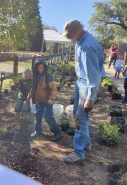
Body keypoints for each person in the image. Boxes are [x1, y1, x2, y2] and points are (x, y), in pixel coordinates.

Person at [60, 20, 104, 163]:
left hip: (87, 84)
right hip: (82, 82)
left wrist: (90, 98)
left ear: (75, 31)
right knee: (78, 115)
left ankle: (78, 152)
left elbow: (94, 75)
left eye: (68, 35)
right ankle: (86, 144)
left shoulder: (87, 47)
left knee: (81, 120)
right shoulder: (81, 41)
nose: (68, 38)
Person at [26, 58, 62, 142]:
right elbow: (34, 88)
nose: (39, 69)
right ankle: (38, 131)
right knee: (38, 116)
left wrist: (51, 98)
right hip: (39, 101)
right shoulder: (36, 76)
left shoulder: (48, 76)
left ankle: (57, 132)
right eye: (38, 68)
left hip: (47, 101)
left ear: (44, 67)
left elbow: (53, 88)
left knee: (48, 117)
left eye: (41, 67)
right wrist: (29, 95)